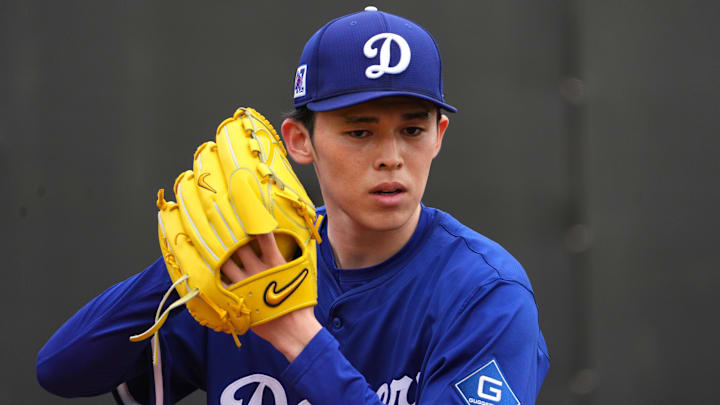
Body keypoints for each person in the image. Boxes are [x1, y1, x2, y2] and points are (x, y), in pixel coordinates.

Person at [37, 7, 549, 405]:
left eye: (411, 130)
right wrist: (190, 261)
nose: (391, 158)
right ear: (299, 141)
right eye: (360, 131)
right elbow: (61, 370)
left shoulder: (485, 294)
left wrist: (299, 338)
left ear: (438, 136)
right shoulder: (247, 267)